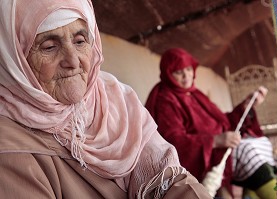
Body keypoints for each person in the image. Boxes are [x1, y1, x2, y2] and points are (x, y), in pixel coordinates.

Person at [0, 1, 213, 198]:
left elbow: (169, 180)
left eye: (80, 41)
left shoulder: (112, 99)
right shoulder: (9, 149)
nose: (73, 61)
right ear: (15, 61)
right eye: (49, 46)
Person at [145, 48, 277, 199]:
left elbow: (223, 122)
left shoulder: (194, 93)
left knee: (259, 144)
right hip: (201, 158)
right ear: (168, 73)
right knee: (248, 151)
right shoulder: (165, 100)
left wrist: (246, 106)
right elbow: (172, 141)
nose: (186, 75)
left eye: (188, 69)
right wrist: (215, 141)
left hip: (218, 150)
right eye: (179, 71)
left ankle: (261, 192)